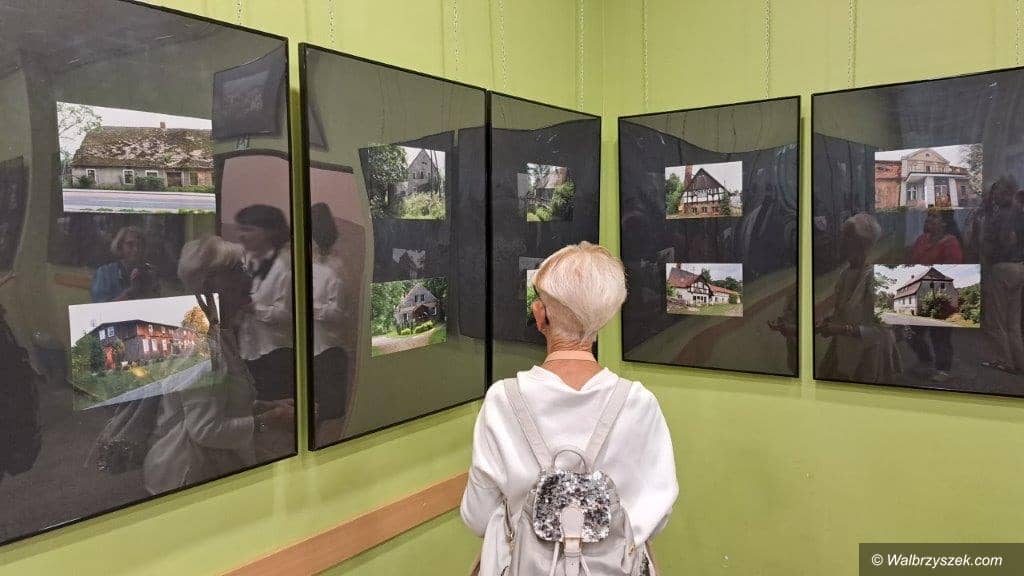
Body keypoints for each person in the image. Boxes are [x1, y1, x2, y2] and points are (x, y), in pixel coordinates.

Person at [461, 242, 678, 575]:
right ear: (604, 318)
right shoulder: (639, 403)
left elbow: (477, 516)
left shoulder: (503, 401)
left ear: (540, 315)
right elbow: (655, 517)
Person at [142, 237, 291, 495]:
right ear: (209, 284)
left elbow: (222, 400)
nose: (248, 277)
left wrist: (266, 406)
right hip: (188, 479)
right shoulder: (198, 344)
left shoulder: (219, 332)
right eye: (237, 270)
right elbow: (206, 430)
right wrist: (270, 421)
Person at [816, 213, 901, 383]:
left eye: (846, 237)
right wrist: (828, 323)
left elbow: (882, 331)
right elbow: (846, 313)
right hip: (845, 350)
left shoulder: (877, 277)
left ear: (861, 244)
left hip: (869, 357)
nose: (841, 241)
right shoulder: (845, 274)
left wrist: (840, 329)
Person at [234, 205, 294, 402]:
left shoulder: (286, 266)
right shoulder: (245, 260)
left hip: (275, 353)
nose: (241, 235)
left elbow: (289, 314)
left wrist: (253, 309)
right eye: (240, 228)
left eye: (248, 229)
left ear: (270, 232)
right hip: (247, 349)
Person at [906, 208, 963, 382]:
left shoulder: (951, 243)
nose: (928, 219)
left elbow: (953, 270)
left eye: (934, 216)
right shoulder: (921, 239)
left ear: (944, 222)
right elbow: (911, 262)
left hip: (941, 294)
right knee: (909, 331)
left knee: (940, 335)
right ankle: (925, 360)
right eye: (928, 216)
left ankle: (943, 369)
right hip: (919, 291)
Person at [309, 203, 352, 426]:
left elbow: (339, 313)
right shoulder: (310, 264)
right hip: (311, 353)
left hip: (329, 354)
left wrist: (309, 308)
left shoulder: (336, 268)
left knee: (325, 418)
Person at [978, 177, 1024, 373]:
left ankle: (1005, 361)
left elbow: (999, 243)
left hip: (1002, 268)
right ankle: (1019, 363)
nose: (993, 195)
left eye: (996, 191)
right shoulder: (1020, 213)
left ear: (1006, 192)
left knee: (996, 320)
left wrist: (985, 243)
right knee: (1013, 322)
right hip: (1019, 267)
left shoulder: (1002, 216)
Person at [90, 226, 159, 303]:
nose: (136, 249)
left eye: (140, 245)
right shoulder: (104, 274)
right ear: (120, 246)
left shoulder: (148, 274)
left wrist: (150, 287)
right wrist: (131, 292)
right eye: (130, 244)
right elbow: (100, 307)